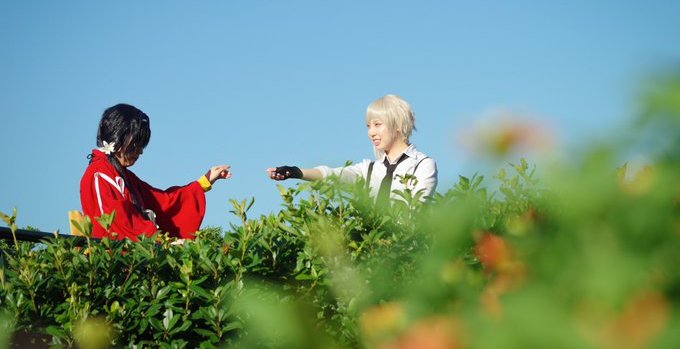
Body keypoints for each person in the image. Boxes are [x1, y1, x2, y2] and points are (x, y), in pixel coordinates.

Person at [79, 103, 231, 240]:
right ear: (118, 137)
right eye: (136, 144)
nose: (140, 151)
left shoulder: (123, 175)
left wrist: (204, 182)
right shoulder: (99, 174)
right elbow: (120, 225)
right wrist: (162, 243)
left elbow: (162, 202)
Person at [267, 94, 437, 205]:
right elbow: (333, 175)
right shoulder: (369, 170)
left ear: (398, 125)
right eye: (368, 126)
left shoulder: (422, 165)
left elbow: (417, 210)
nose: (371, 132)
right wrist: (295, 172)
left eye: (377, 124)